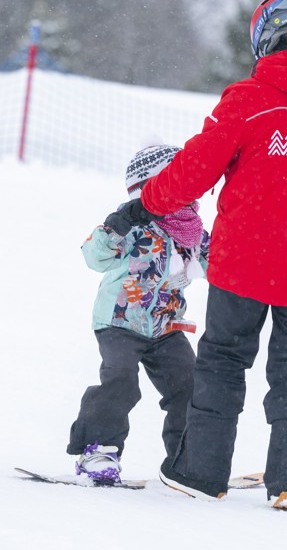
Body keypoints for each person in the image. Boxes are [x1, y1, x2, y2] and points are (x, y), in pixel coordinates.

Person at [140, 0, 287, 509]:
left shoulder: (247, 101)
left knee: (221, 363)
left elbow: (194, 171)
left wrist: (150, 201)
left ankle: (201, 474)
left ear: (264, 38)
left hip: (247, 262)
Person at [67, 144, 210, 485]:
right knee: (121, 380)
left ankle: (186, 460)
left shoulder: (192, 232)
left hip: (166, 326)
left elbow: (218, 267)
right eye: (179, 183)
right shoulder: (130, 224)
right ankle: (98, 449)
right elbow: (94, 257)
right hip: (119, 321)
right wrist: (114, 227)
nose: (188, 193)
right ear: (154, 187)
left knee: (189, 386)